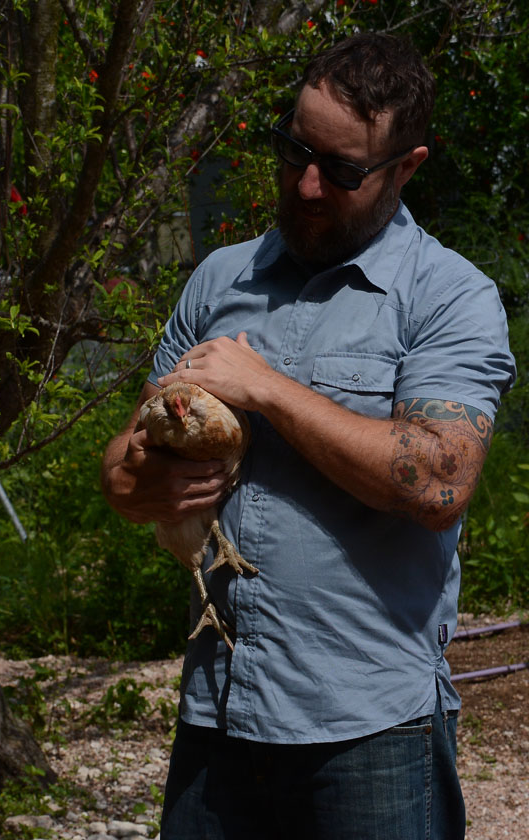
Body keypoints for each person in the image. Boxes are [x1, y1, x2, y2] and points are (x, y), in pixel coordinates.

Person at [100, 32, 516, 840]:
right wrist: (138, 480)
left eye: (345, 169)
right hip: (217, 716)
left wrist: (268, 391)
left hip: (369, 732)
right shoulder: (219, 279)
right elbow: (124, 467)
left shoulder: (448, 297)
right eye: (295, 149)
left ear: (407, 167)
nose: (309, 183)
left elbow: (438, 483)